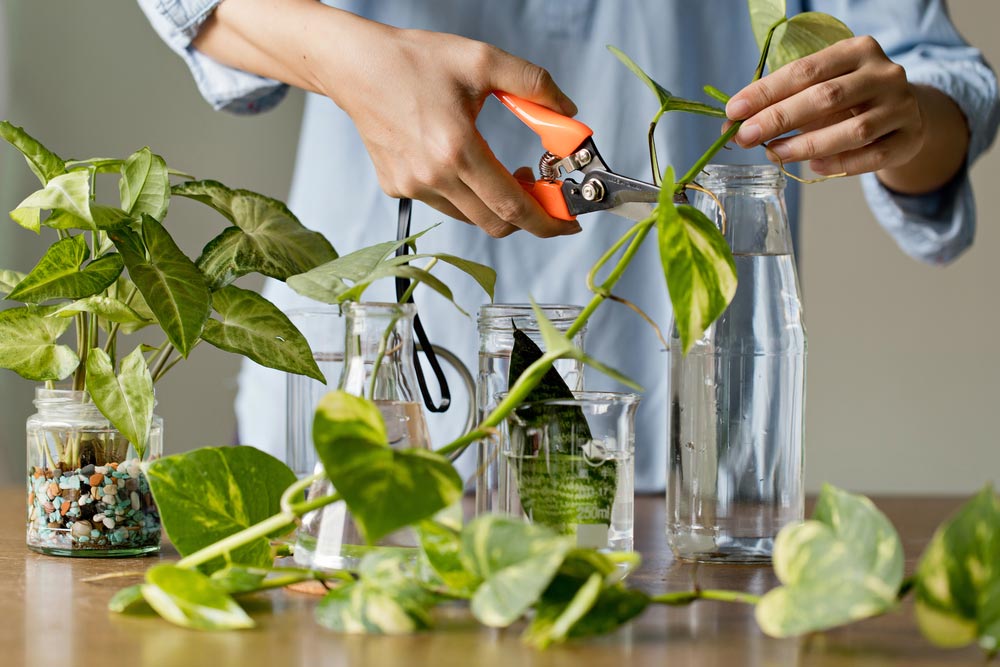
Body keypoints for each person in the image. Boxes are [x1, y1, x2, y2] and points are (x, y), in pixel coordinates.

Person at [138, 0, 998, 490]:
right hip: (364, 420)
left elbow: (938, 74)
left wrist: (902, 120)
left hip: (677, 438)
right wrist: (354, 61)